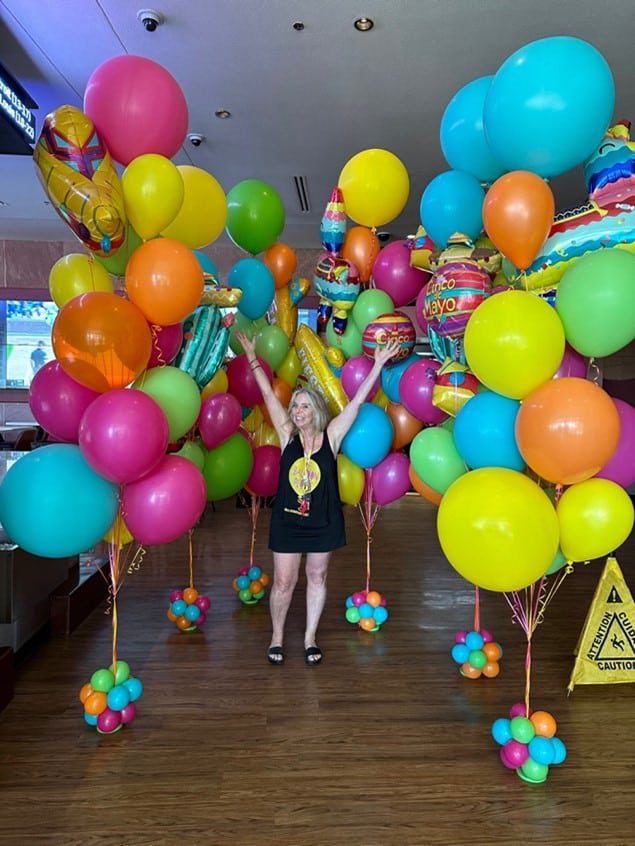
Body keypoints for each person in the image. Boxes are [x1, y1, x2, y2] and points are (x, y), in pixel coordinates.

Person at [236, 330, 400, 666]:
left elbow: (357, 403)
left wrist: (378, 365)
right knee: (283, 581)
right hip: (288, 520)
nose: (297, 410)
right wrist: (252, 358)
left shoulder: (332, 436)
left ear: (316, 410)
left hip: (323, 520)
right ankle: (277, 637)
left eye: (304, 405)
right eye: (295, 405)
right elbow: (267, 394)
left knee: (317, 577)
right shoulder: (287, 435)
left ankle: (310, 637)